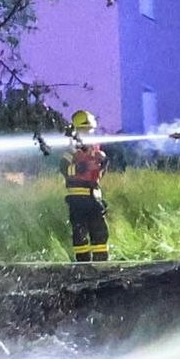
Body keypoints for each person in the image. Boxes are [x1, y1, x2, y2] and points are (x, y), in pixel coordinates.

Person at [56, 109, 112, 262]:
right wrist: (79, 169)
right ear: (76, 130)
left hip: (94, 196)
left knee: (100, 232)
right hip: (77, 198)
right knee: (80, 233)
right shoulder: (72, 149)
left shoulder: (94, 148)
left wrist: (104, 164)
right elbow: (63, 168)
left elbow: (99, 174)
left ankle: (102, 265)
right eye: (84, 130)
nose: (87, 133)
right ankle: (83, 266)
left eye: (89, 130)